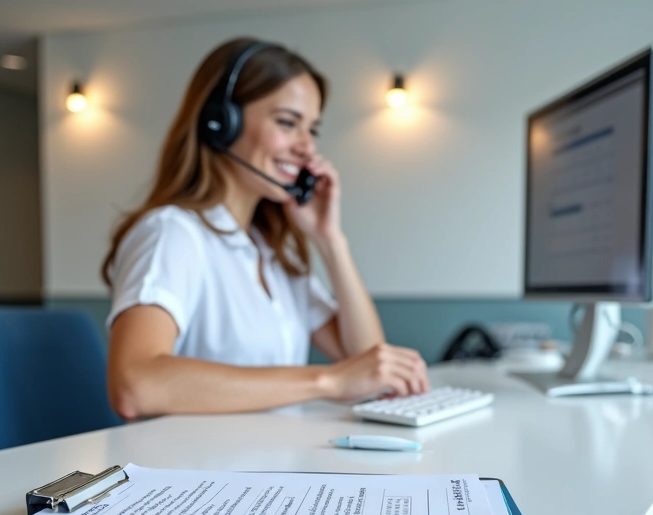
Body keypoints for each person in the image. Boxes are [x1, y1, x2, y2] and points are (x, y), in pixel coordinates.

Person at [103, 38, 430, 420]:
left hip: (275, 466)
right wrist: (326, 381)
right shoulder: (173, 233)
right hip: (207, 476)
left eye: (313, 130)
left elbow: (367, 363)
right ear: (221, 123)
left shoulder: (269, 252)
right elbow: (135, 385)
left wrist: (330, 241)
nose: (307, 148)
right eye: (288, 123)